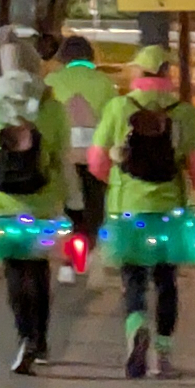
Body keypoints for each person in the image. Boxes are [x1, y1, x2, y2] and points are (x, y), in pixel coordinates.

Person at [92, 45, 195, 380]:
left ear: (138, 73)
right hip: (170, 212)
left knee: (132, 279)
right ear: (167, 73)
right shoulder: (185, 113)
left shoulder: (118, 107)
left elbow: (96, 162)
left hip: (127, 212)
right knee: (167, 281)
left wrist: (118, 181)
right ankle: (163, 354)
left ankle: (136, 328)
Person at [0, 38, 71, 375]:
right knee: (38, 271)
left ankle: (24, 334)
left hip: (0, 203)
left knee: (14, 271)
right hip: (42, 203)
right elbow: (60, 157)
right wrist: (72, 200)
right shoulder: (51, 108)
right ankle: (40, 341)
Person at [45, 32, 117, 280]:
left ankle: (69, 260)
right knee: (94, 208)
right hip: (95, 157)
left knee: (69, 210)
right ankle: (81, 256)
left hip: (63, 156)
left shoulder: (53, 80)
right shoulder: (104, 83)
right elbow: (113, 121)